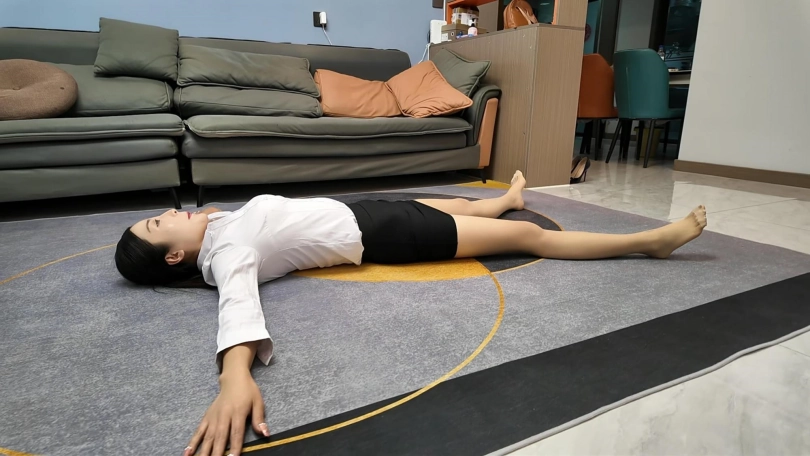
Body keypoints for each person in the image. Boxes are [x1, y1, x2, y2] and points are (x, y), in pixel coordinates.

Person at [114, 171, 707, 456]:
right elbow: (238, 304)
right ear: (174, 255)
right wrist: (234, 374)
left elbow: (217, 220)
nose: (172, 212)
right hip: (382, 233)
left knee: (445, 202)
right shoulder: (226, 253)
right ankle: (648, 242)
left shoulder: (217, 228)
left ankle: (504, 199)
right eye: (160, 223)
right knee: (529, 237)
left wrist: (199, 219)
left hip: (359, 213)